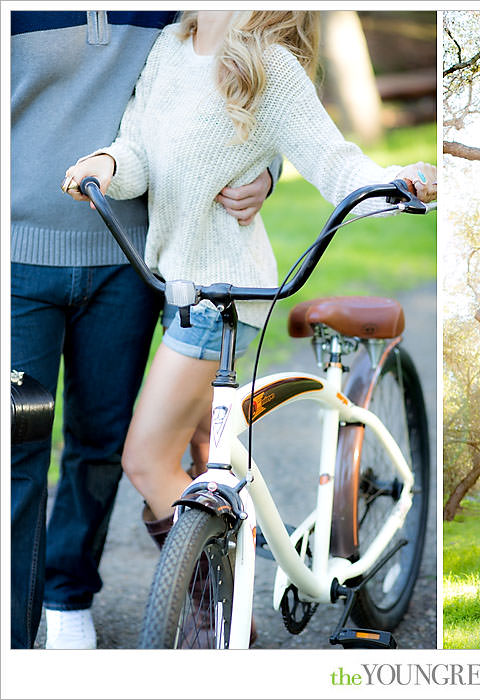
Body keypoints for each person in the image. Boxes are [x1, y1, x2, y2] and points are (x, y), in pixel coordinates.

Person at [62, 8, 436, 626]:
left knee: (146, 459)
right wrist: (107, 164)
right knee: (214, 452)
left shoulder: (271, 67)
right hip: (176, 287)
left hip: (226, 296)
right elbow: (138, 150)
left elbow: (335, 163)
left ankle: (221, 618)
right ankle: (237, 587)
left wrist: (399, 182)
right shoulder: (169, 49)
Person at [10, 10, 279, 650]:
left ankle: (68, 597)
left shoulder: (176, 13)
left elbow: (237, 89)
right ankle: (15, 639)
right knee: (17, 449)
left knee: (99, 443)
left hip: (130, 263)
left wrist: (265, 172)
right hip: (16, 261)